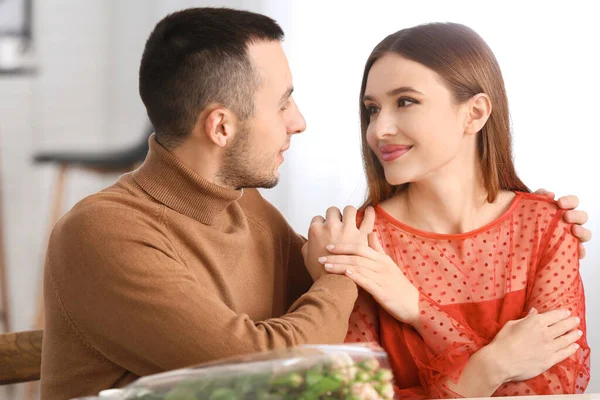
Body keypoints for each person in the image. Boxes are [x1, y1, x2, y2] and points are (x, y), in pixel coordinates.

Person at [40, 9, 592, 399]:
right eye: (283, 102)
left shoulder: (247, 210)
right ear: (222, 126)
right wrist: (349, 280)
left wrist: (540, 223)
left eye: (405, 102)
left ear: (476, 113)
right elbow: (268, 368)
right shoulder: (105, 232)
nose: (300, 121)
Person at [309, 22, 590, 398]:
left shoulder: (546, 226)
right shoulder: (357, 241)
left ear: (474, 113)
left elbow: (553, 387)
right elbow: (356, 395)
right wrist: (492, 366)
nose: (378, 129)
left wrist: (416, 310)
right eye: (372, 109)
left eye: (405, 101)